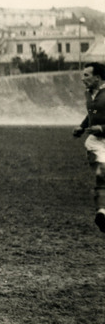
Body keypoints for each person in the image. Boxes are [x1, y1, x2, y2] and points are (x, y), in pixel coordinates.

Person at [72, 62, 105, 233]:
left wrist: (102, 128)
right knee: (101, 174)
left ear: (98, 78)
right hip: (96, 142)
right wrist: (82, 127)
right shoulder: (89, 94)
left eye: (86, 75)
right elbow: (91, 113)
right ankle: (102, 213)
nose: (82, 78)